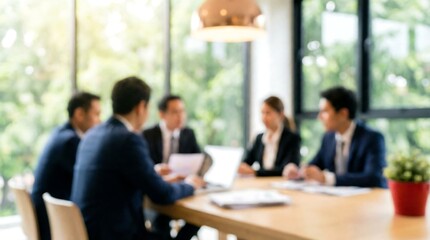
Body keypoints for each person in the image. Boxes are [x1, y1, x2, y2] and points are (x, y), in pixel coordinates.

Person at [70, 76, 204, 240]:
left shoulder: (92, 135)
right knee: (192, 224)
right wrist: (189, 184)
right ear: (141, 107)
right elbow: (162, 195)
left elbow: (115, 177)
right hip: (117, 235)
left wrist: (152, 172)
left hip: (90, 232)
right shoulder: (128, 139)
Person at [283, 86, 387, 188]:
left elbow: (373, 177)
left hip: (365, 201)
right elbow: (315, 164)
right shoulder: (329, 137)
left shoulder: (372, 138)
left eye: (325, 111)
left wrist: (327, 178)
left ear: (343, 113)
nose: (319, 117)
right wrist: (298, 171)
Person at [31, 92, 101, 240]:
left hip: (45, 214)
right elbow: (88, 181)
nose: (100, 121)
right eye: (96, 114)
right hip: (51, 222)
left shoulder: (60, 133)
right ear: (80, 114)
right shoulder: (70, 142)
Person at [143, 94, 201, 240]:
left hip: (182, 187)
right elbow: (145, 168)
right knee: (161, 221)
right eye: (175, 112)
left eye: (182, 111)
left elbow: (199, 160)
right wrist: (157, 170)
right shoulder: (148, 134)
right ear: (162, 114)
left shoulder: (189, 133)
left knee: (198, 218)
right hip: (159, 187)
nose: (180, 116)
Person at [238, 96, 300, 176]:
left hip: (280, 183)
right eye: (262, 113)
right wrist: (241, 167)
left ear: (281, 114)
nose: (264, 117)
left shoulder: (292, 138)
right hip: (262, 184)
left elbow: (285, 170)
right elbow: (247, 161)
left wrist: (255, 172)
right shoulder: (259, 138)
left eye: (268, 113)